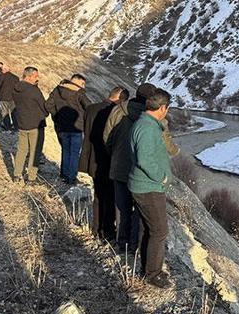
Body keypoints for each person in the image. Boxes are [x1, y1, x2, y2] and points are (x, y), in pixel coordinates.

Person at [104, 83, 178, 252]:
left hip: (120, 165)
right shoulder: (156, 120)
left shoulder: (118, 110)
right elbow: (166, 145)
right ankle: (135, 246)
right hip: (144, 176)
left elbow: (107, 136)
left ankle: (121, 243)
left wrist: (114, 154)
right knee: (141, 212)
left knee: (121, 207)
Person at [128, 88, 174, 288]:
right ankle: (153, 274)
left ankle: (146, 268)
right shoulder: (147, 128)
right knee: (160, 230)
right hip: (149, 187)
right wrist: (162, 177)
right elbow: (144, 160)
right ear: (162, 107)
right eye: (167, 108)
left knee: (148, 228)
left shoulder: (146, 124)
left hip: (145, 185)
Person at [79, 86, 128, 241]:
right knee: (111, 196)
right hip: (108, 160)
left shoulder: (91, 108)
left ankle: (96, 228)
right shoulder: (116, 113)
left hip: (91, 157)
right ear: (122, 99)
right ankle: (107, 230)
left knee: (98, 195)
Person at [45, 74, 90, 184]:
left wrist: (57, 116)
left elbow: (48, 105)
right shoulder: (79, 93)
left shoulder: (57, 90)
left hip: (62, 127)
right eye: (83, 84)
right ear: (78, 82)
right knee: (74, 153)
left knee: (65, 151)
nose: (84, 86)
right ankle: (71, 178)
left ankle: (64, 174)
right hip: (76, 127)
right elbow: (89, 107)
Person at [12, 66, 48, 183]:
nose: (37, 78)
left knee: (22, 150)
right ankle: (31, 177)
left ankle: (17, 175)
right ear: (28, 76)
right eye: (35, 76)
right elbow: (44, 107)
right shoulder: (34, 90)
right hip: (36, 125)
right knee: (35, 151)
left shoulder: (16, 88)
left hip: (22, 123)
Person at [0, 64, 19, 131]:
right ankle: (16, 127)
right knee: (13, 114)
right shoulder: (16, 77)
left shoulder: (2, 76)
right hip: (13, 98)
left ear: (4, 70)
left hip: (4, 98)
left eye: (2, 69)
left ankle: (7, 127)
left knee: (5, 113)